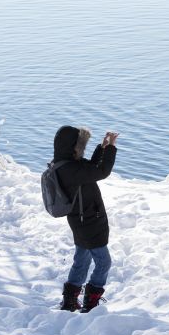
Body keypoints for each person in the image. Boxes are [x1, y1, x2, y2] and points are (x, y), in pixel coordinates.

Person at [52, 125, 118, 313]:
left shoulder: (66, 164)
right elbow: (102, 172)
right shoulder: (71, 169)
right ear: (73, 146)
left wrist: (102, 148)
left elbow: (90, 169)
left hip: (81, 220)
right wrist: (112, 148)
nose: (83, 149)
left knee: (82, 260)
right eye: (81, 146)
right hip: (89, 222)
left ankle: (70, 301)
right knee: (104, 262)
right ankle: (91, 303)